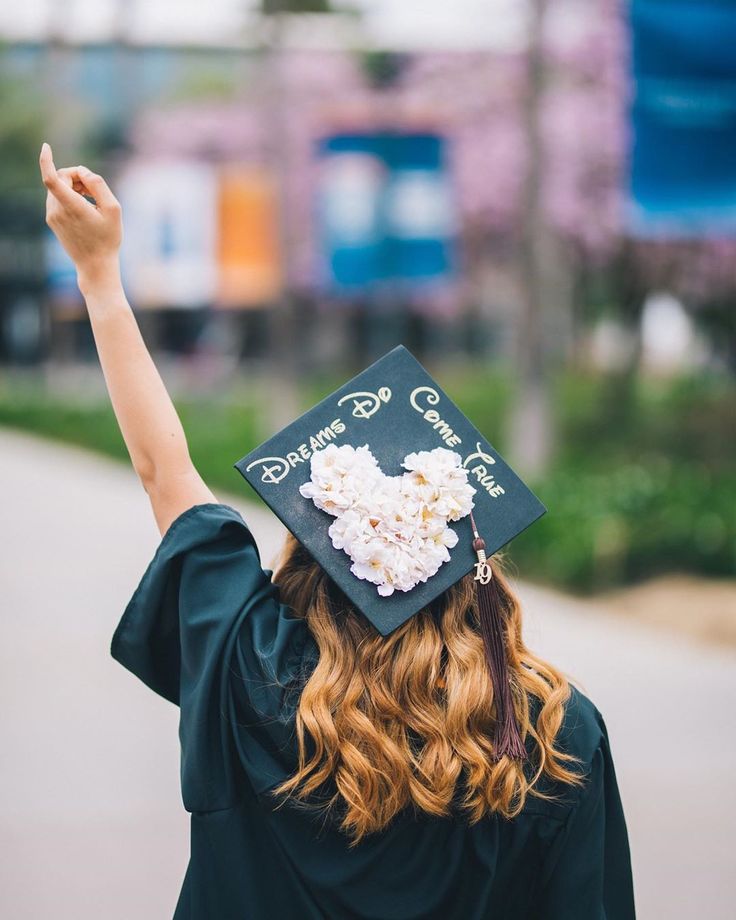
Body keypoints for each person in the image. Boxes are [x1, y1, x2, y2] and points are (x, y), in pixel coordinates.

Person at [39, 143, 636, 920]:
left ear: (311, 556)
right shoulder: (552, 731)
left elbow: (166, 473)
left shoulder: (249, 668)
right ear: (472, 566)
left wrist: (101, 278)